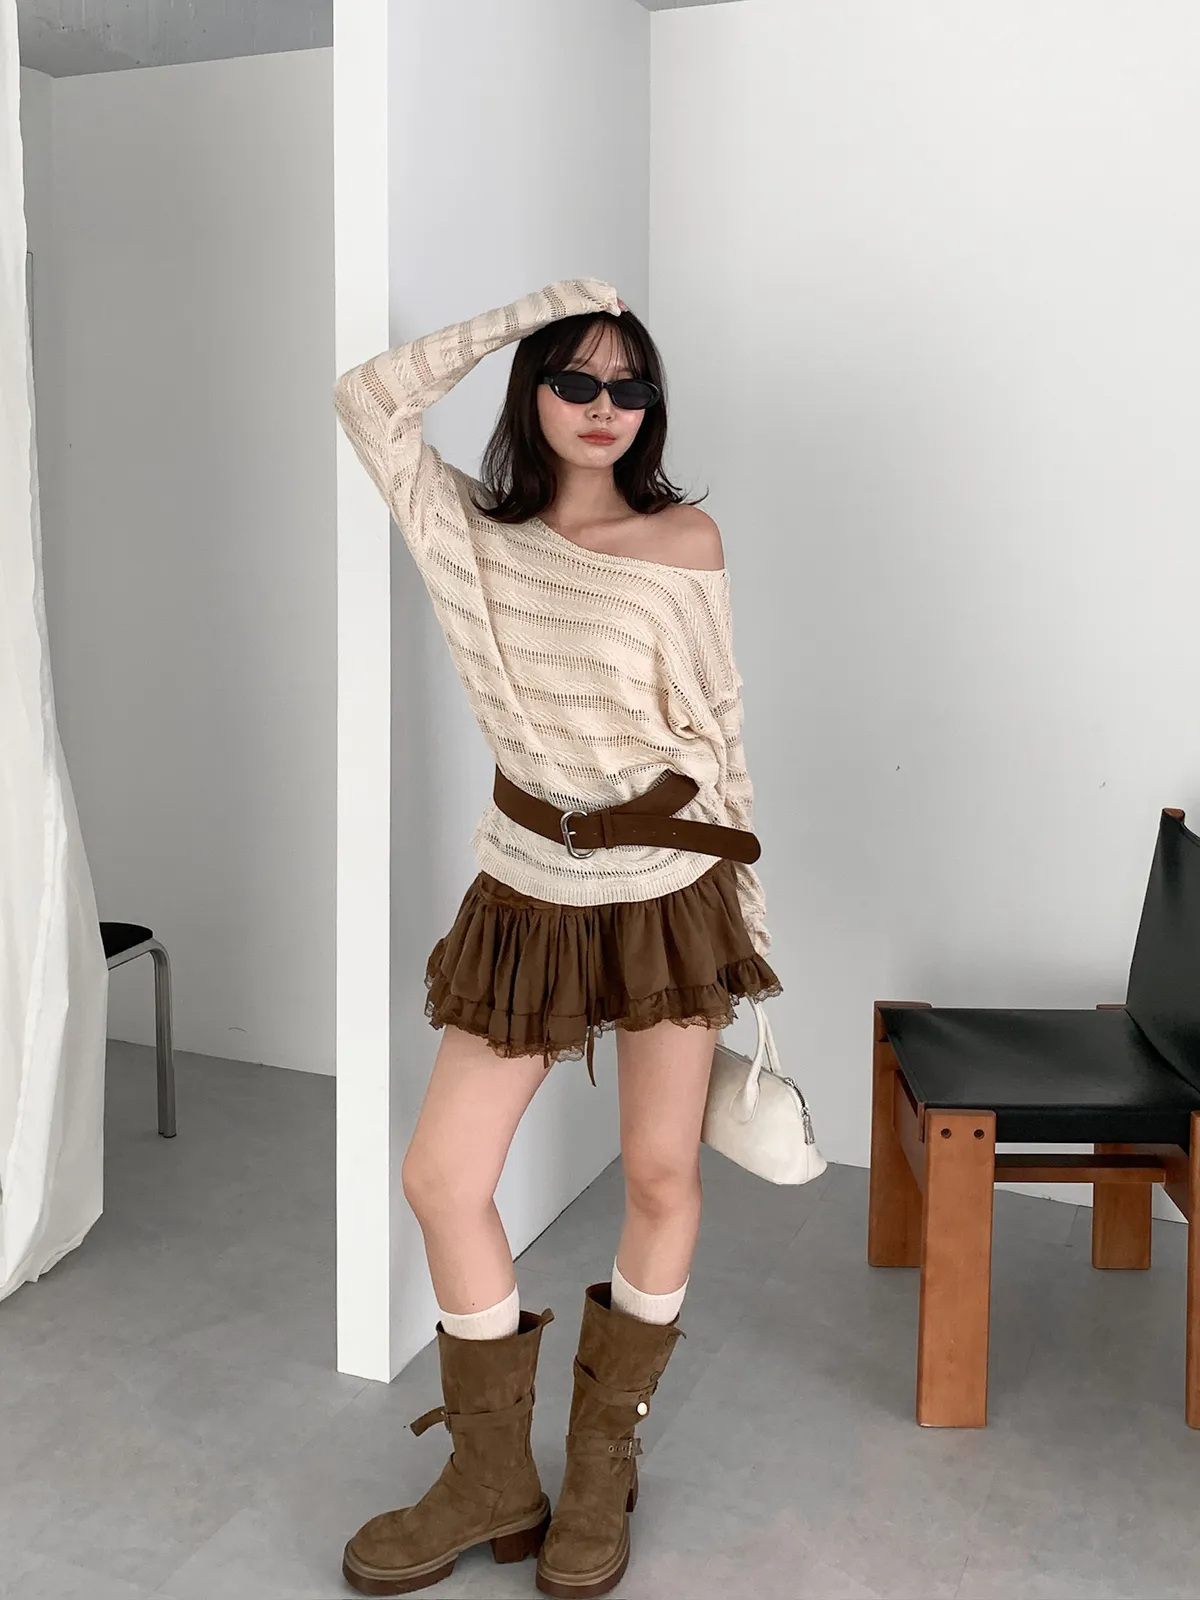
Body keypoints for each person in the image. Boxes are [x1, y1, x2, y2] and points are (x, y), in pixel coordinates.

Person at [332, 278, 780, 1599]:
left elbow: (719, 730)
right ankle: (491, 1477)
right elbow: (368, 400)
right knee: (442, 1176)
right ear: (532, 391)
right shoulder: (469, 528)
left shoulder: (685, 540)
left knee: (660, 1172)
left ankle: (600, 1459)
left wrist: (747, 926)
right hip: (527, 891)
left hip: (668, 893)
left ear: (651, 408)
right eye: (573, 379)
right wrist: (530, 312)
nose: (601, 406)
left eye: (627, 386)